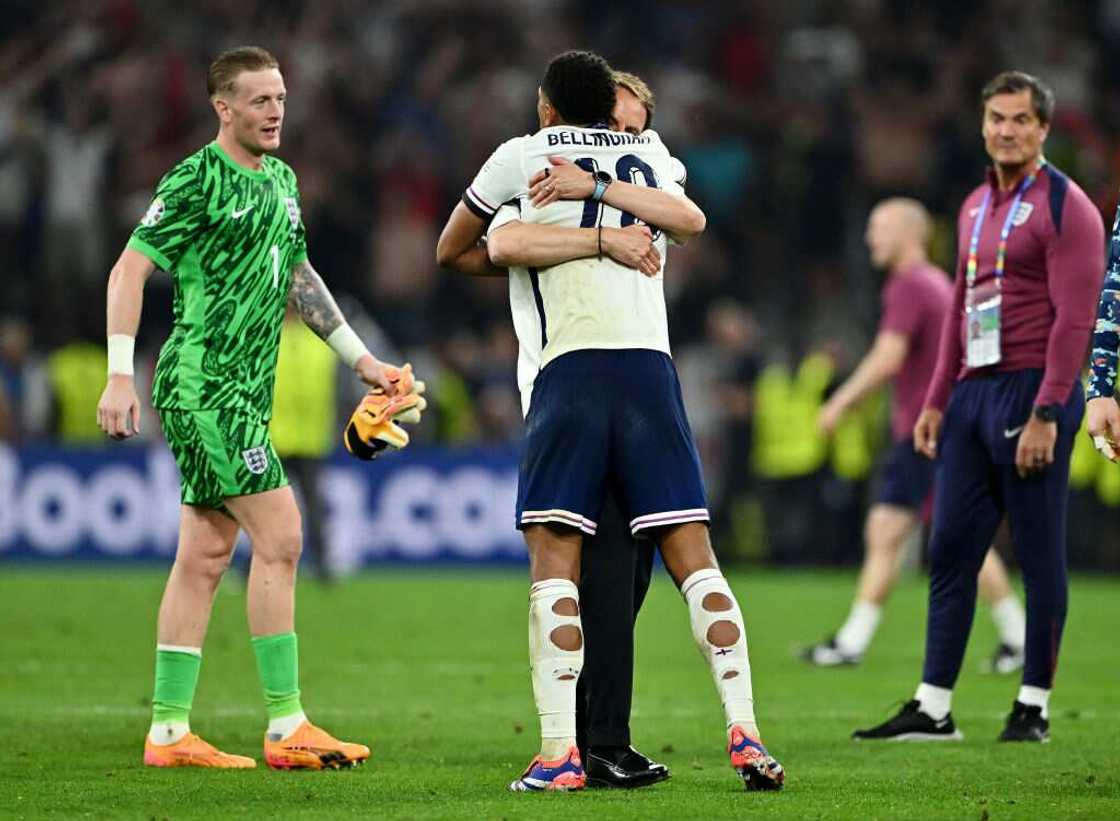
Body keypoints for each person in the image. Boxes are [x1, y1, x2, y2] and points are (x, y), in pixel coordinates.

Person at [438, 50, 783, 793]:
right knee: (696, 557)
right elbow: (689, 220)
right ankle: (747, 730)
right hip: (651, 377)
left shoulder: (525, 155)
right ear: (609, 109)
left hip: (570, 372)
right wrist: (607, 231)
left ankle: (562, 751)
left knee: (555, 564)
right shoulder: (654, 156)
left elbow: (474, 244)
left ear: (548, 108)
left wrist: (574, 214)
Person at [96, 46, 422, 769]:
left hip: (245, 389)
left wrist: (363, 361)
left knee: (206, 555)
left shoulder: (281, 180)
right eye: (260, 100)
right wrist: (121, 376)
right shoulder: (195, 179)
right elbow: (130, 267)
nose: (276, 111)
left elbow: (298, 277)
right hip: (203, 384)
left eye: (281, 98)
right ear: (224, 107)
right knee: (282, 532)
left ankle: (170, 731)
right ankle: (286, 724)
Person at [853, 71, 1104, 744]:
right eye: (996, 118)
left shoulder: (1066, 206)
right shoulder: (970, 208)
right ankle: (934, 706)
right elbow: (964, 316)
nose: (1006, 130)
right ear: (983, 124)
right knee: (951, 548)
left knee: (1039, 551)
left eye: (1020, 119)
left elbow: (1075, 320)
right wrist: (937, 400)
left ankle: (1033, 705)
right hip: (971, 395)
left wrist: (1051, 410)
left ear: (1043, 128)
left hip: (1032, 388)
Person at [488, 71, 689, 789]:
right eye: (616, 127)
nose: (622, 143)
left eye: (633, 132)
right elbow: (497, 240)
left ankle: (585, 738)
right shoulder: (539, 175)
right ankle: (593, 741)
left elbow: (681, 218)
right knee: (596, 574)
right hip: (566, 387)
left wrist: (609, 209)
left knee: (625, 580)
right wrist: (601, 237)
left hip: (629, 390)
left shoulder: (642, 185)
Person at [802, 198, 1026, 673]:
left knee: (960, 540)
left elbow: (888, 357)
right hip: (933, 430)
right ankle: (851, 641)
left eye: (878, 228)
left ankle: (1019, 637)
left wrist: (839, 403)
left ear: (909, 233)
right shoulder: (936, 283)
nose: (869, 239)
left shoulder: (910, 285)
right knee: (885, 531)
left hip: (933, 432)